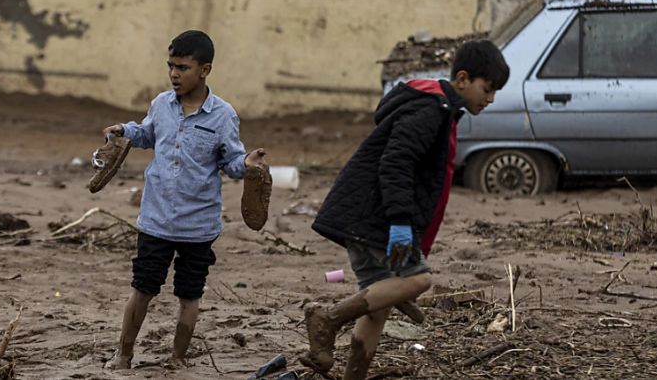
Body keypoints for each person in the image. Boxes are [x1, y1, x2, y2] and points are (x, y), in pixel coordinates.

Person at [301, 40, 509, 379]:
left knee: (377, 308)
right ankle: (329, 317)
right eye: (487, 89)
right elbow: (396, 163)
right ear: (462, 78)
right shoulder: (430, 110)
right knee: (419, 279)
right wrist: (399, 222)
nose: (491, 99)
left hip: (371, 216)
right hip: (375, 218)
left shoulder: (440, 110)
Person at [102, 30, 266, 370]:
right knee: (143, 287)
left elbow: (232, 163)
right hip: (156, 221)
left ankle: (177, 359)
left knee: (189, 294)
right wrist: (125, 131)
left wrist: (248, 166)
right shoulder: (161, 105)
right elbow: (147, 133)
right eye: (170, 66)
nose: (174, 74)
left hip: (199, 226)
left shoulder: (223, 116)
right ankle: (123, 355)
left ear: (205, 70)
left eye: (183, 67)